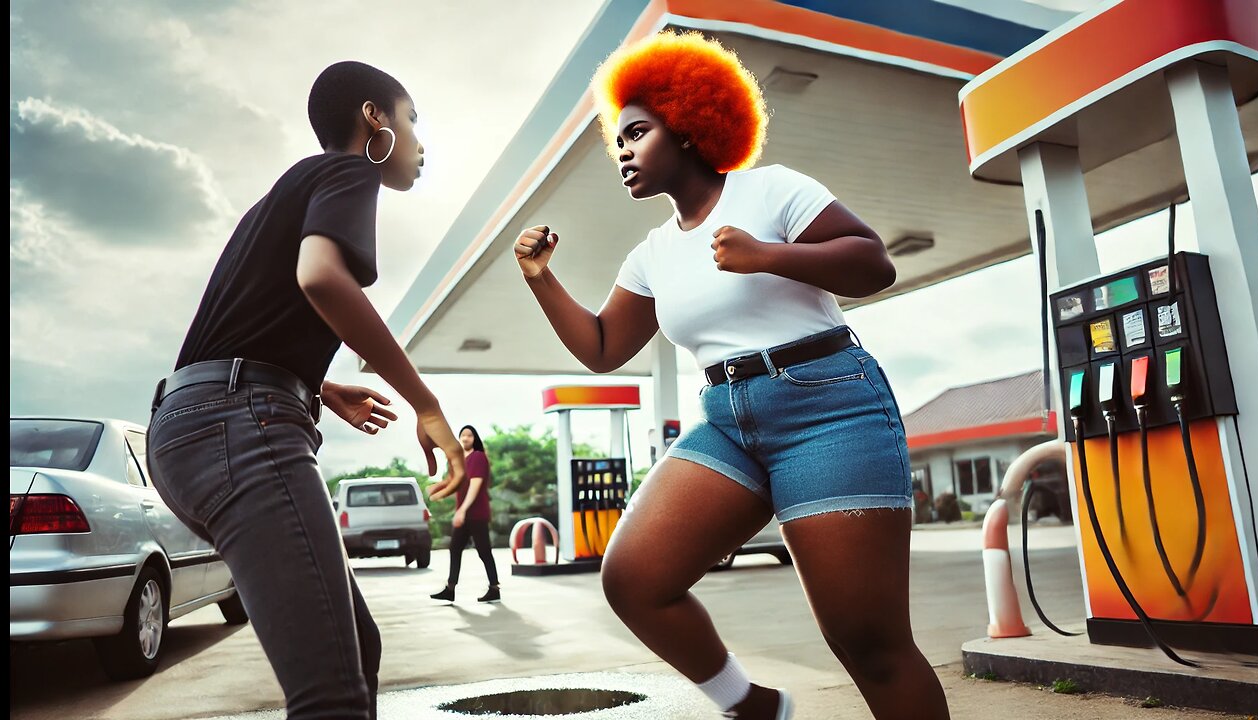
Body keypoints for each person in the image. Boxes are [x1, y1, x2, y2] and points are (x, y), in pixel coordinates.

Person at [511, 32, 949, 720]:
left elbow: (873, 264)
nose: (621, 151)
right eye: (616, 140)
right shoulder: (652, 253)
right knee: (635, 577)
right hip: (729, 420)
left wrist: (769, 255)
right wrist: (542, 281)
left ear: (687, 125)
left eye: (637, 132)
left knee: (868, 642)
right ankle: (749, 705)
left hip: (828, 404)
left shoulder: (771, 190)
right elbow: (602, 348)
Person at [146, 61, 466, 720]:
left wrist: (319, 384)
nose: (420, 142)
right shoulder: (349, 171)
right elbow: (320, 277)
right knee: (331, 697)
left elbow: (245, 317)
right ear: (374, 117)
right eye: (413, 121)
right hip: (241, 425)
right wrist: (423, 401)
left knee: (359, 650)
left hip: (192, 426)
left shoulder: (282, 194)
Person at [431, 425, 501, 603]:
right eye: (463, 435)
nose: (465, 438)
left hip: (476, 514)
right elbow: (452, 482)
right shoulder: (459, 461)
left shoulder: (478, 457)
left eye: (469, 435)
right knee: (455, 549)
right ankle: (450, 589)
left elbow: (475, 486)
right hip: (464, 514)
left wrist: (462, 510)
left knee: (484, 551)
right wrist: (438, 490)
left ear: (474, 439)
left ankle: (494, 589)